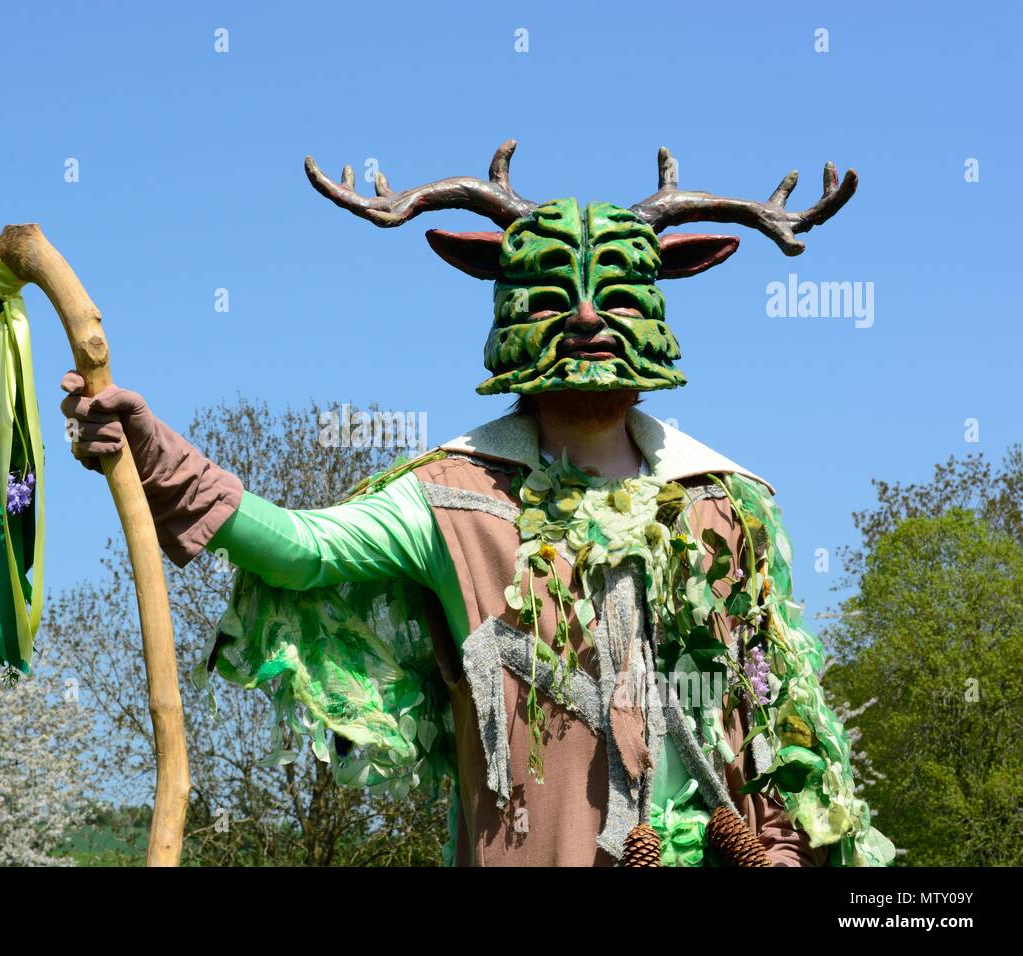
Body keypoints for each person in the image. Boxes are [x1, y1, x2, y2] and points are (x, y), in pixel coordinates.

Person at [60, 144, 893, 867]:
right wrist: (154, 452)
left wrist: (784, 847)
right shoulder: (454, 499)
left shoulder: (728, 504)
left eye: (616, 297)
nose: (588, 318)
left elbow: (772, 704)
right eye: (553, 298)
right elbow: (302, 549)